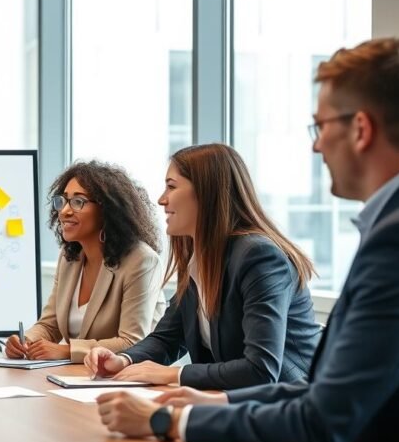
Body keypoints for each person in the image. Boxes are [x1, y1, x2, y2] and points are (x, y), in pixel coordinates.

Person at [97, 36, 399, 442]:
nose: (316, 147)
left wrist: (166, 421)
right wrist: (220, 402)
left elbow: (323, 420)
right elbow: (325, 393)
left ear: (361, 129)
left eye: (320, 127)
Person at [84, 144, 321, 390]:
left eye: (172, 186)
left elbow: (260, 369)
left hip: (290, 408)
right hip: (234, 403)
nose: (161, 199)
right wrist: (123, 359)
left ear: (207, 193)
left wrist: (173, 375)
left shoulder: (259, 256)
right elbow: (167, 338)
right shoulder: (200, 259)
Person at [3, 160, 167, 363]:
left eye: (78, 201)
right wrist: (25, 340)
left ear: (108, 209)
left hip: (128, 380)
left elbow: (132, 341)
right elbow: (50, 325)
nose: (64, 211)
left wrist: (67, 351)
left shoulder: (142, 261)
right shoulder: (70, 257)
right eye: (62, 200)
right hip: (78, 378)